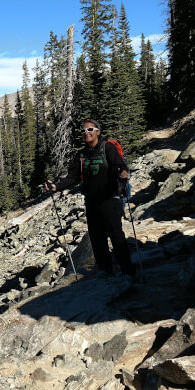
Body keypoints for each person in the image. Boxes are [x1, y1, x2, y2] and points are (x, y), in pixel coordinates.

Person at [45, 119, 135, 277]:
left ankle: (127, 270)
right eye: (83, 131)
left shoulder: (108, 148)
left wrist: (121, 172)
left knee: (116, 235)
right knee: (97, 238)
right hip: (92, 202)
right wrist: (56, 187)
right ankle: (105, 271)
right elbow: (73, 177)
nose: (86, 133)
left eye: (90, 129)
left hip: (110, 199)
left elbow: (117, 165)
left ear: (98, 132)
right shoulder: (81, 155)